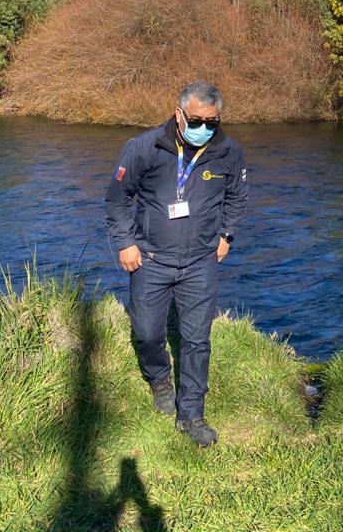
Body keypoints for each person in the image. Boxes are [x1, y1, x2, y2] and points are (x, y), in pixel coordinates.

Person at [105, 80, 248, 448]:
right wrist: (125, 243)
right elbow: (118, 200)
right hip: (150, 260)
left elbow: (237, 196)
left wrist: (226, 235)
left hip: (200, 262)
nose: (204, 128)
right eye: (196, 121)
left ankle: (192, 416)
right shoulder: (143, 148)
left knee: (197, 340)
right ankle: (159, 378)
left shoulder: (228, 152)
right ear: (179, 114)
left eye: (212, 122)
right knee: (147, 333)